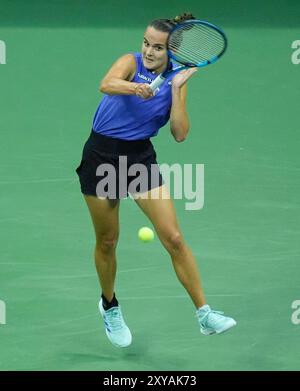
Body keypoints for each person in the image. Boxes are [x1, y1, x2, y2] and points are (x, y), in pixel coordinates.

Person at [76, 12, 236, 348]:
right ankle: (109, 305)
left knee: (174, 237)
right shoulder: (130, 63)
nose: (149, 51)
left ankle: (204, 314)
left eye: (158, 47)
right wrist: (136, 88)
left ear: (172, 51)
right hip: (102, 156)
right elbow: (106, 83)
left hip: (139, 159)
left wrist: (176, 91)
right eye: (146, 43)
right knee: (108, 241)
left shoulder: (177, 80)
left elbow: (179, 134)